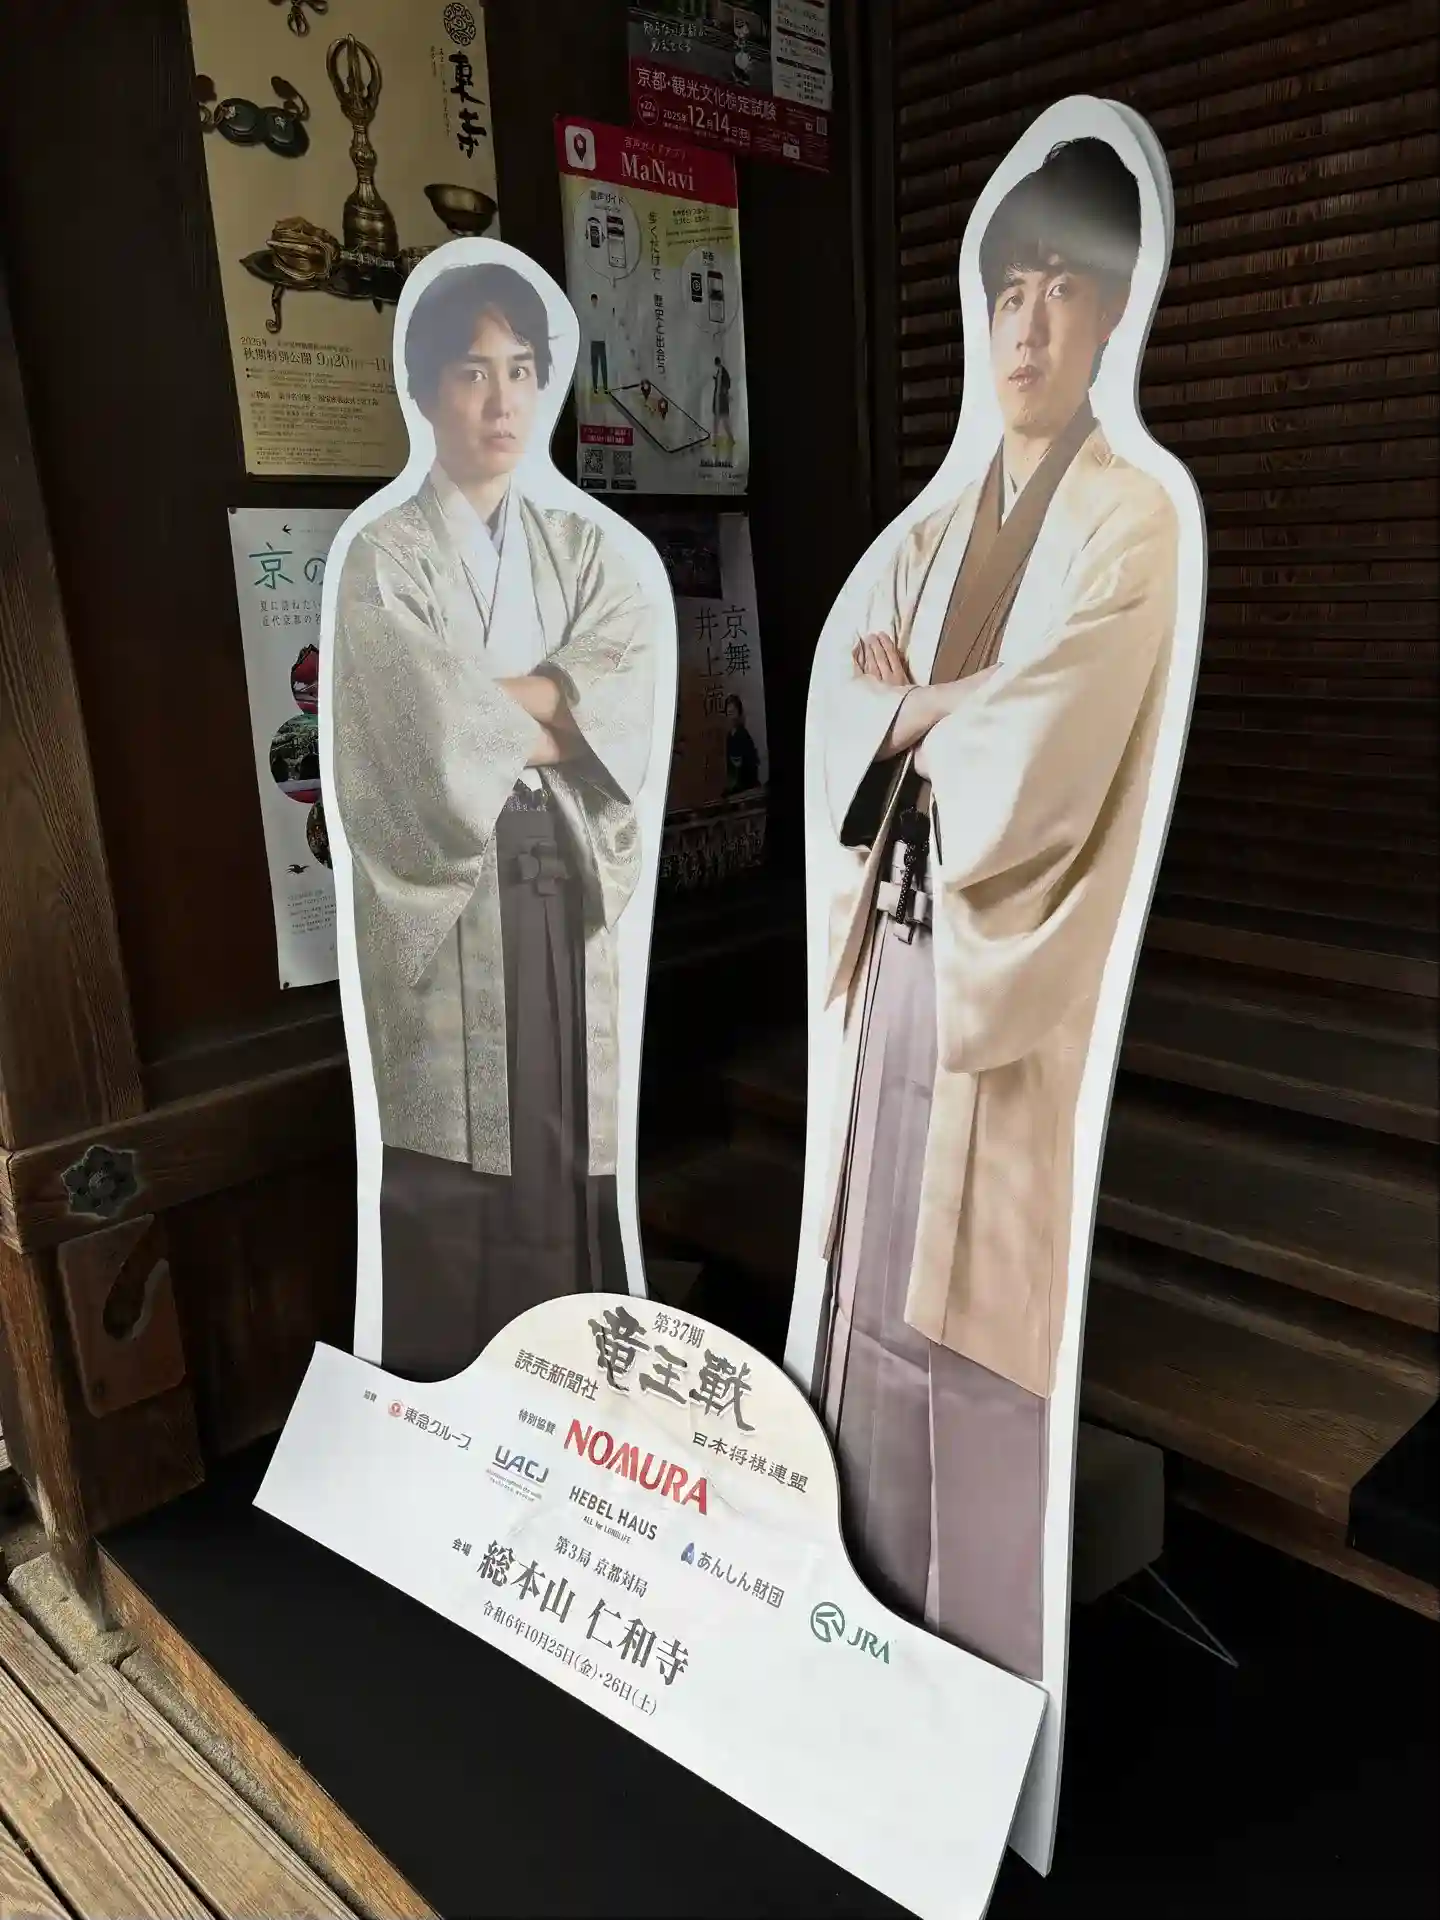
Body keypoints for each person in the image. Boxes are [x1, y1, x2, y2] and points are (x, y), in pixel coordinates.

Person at [811, 137, 1179, 1680]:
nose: (1027, 328)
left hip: (1001, 988)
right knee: (867, 1295)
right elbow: (849, 699)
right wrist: (933, 705)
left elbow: (1049, 736)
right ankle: (850, 1621)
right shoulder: (930, 528)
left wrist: (921, 706)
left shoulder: (1133, 522)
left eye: (1062, 291)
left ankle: (968, 1676)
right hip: (894, 950)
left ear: (1115, 312)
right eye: (1007, 292)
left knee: (970, 1334)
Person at [333, 262, 658, 1381]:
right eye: (473, 372)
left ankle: (561, 1385)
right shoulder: (385, 557)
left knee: (559, 1136)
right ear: (425, 390)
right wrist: (554, 706)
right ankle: (456, 1403)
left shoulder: (581, 549)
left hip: (554, 878)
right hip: (453, 898)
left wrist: (489, 706)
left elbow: (624, 698)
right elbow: (421, 734)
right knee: (458, 1158)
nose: (502, 399)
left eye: (521, 370)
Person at [723, 693, 760, 794]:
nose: (731, 715)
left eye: (733, 711)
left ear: (739, 712)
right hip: (735, 784)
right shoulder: (729, 736)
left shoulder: (743, 735)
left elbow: (750, 764)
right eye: (728, 712)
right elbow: (730, 765)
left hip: (746, 784)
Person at [587, 292, 609, 399]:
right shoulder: (590, 313)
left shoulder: (601, 313)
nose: (594, 302)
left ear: (597, 300)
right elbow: (588, 327)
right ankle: (595, 387)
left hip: (601, 341)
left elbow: (604, 325)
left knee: (603, 365)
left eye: (595, 300)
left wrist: (604, 337)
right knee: (595, 366)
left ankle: (605, 387)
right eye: (593, 301)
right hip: (594, 342)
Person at [711, 357, 733, 457]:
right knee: (718, 421)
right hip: (718, 401)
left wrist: (724, 389)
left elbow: (727, 384)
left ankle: (729, 438)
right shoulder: (719, 372)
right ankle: (716, 440)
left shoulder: (723, 372)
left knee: (723, 422)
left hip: (721, 401)